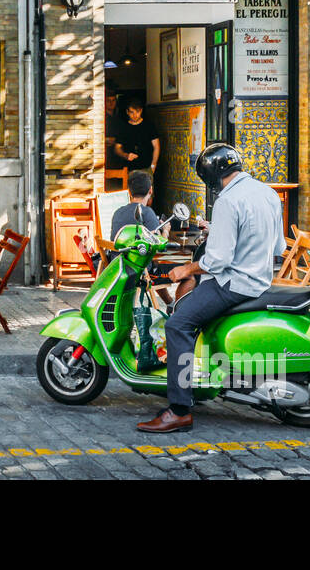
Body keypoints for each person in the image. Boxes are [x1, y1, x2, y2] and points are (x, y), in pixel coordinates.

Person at [137, 143, 284, 434]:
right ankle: (195, 378)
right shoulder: (268, 193)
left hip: (234, 283)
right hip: (260, 279)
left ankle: (179, 410)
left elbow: (218, 260)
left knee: (178, 324)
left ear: (210, 176)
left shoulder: (228, 201)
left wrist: (185, 269)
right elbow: (277, 247)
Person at [113, 98, 160, 177]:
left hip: (147, 167)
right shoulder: (123, 127)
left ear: (141, 111)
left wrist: (153, 165)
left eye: (137, 112)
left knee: (148, 189)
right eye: (132, 112)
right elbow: (117, 148)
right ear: (127, 112)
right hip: (128, 169)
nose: (135, 115)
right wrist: (126, 155)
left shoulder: (149, 126)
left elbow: (156, 146)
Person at [110, 170, 162, 239]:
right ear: (150, 191)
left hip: (117, 249)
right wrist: (166, 231)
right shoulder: (147, 213)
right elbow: (158, 246)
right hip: (134, 250)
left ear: (129, 192)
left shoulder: (118, 212)